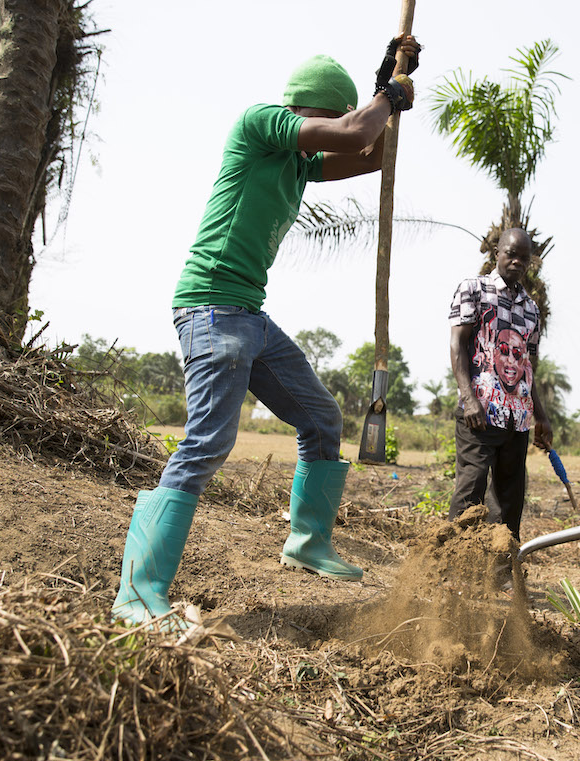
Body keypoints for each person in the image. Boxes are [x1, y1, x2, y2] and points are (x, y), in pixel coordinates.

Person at [112, 36, 422, 629]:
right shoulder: (260, 123)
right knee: (206, 445)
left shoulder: (299, 162)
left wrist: (386, 82)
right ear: (306, 113)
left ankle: (307, 543)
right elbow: (356, 133)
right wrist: (383, 99)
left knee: (321, 417)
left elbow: (370, 153)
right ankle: (139, 591)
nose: (329, 134)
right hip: (210, 307)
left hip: (249, 315)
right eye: (326, 122)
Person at [447, 228, 552, 539]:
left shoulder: (531, 309)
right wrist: (469, 399)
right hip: (479, 412)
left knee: (509, 502)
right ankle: (452, 569)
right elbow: (457, 346)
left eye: (524, 258)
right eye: (511, 254)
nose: (517, 262)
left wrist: (541, 416)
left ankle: (502, 572)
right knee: (471, 491)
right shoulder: (473, 290)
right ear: (497, 254)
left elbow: (526, 366)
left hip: (516, 420)